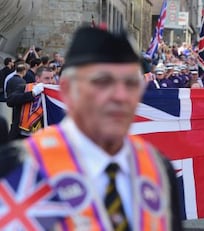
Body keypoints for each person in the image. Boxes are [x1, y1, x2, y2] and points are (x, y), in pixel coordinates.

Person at [0, 26, 182, 230]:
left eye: (130, 83)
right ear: (69, 89)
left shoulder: (158, 170)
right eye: (103, 82)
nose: (120, 96)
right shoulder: (16, 168)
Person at [6, 65, 51, 140]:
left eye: (52, 78)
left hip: (40, 137)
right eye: (47, 78)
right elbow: (10, 101)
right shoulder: (25, 88)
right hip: (20, 136)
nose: (50, 81)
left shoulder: (52, 95)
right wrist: (32, 93)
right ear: (37, 78)